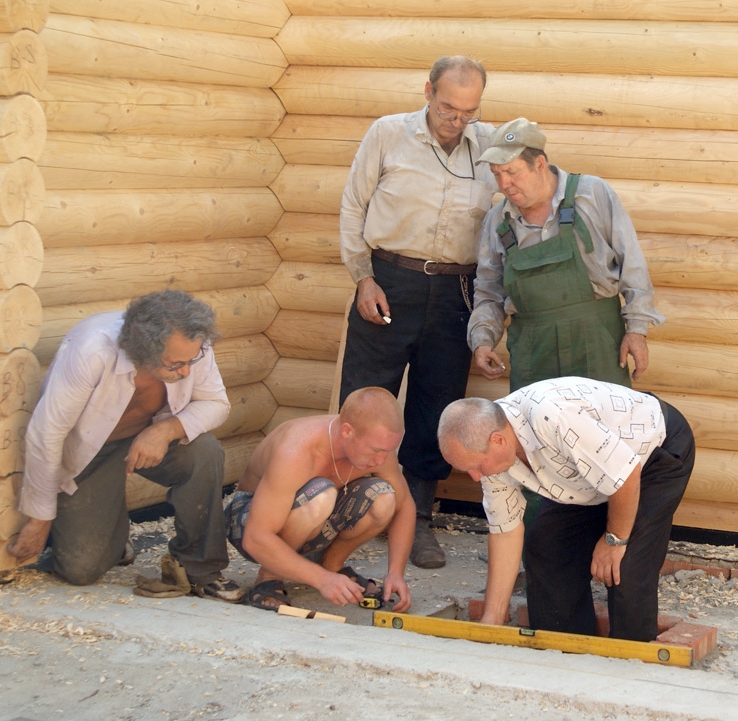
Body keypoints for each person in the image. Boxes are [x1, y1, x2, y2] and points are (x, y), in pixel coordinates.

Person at [338, 55, 498, 569]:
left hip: (457, 289)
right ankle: (352, 509)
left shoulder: (490, 146)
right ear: (428, 91)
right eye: (449, 108)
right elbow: (353, 206)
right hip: (389, 279)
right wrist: (362, 277)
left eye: (468, 112)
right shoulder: (387, 133)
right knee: (367, 396)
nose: (457, 120)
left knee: (438, 402)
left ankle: (418, 517)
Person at [8, 290, 243, 602]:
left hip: (149, 435)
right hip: (90, 452)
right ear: (143, 351)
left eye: (191, 361)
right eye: (175, 364)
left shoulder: (192, 345)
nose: (186, 371)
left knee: (205, 452)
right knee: (79, 570)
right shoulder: (91, 350)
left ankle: (201, 570)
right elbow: (46, 432)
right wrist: (39, 520)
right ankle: (114, 538)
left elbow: (217, 403)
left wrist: (166, 430)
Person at [437, 376, 695, 642]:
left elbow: (625, 476)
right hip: (588, 474)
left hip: (650, 454)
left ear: (498, 440)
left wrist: (613, 541)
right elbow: (505, 532)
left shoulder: (554, 417)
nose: (475, 477)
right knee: (546, 548)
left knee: (625, 566)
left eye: (476, 466)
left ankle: (631, 658)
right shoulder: (490, 448)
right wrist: (491, 620)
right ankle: (563, 650)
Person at [468, 117, 664, 393]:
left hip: (598, 342)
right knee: (535, 421)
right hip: (532, 350)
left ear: (539, 163)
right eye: (496, 174)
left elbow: (632, 265)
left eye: (512, 172)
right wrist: (482, 340)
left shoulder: (592, 194)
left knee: (602, 419)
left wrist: (636, 330)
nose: (504, 183)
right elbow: (489, 292)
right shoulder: (497, 221)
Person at [225, 387, 414, 612]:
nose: (381, 460)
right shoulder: (297, 450)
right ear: (347, 431)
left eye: (388, 450)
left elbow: (405, 506)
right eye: (375, 450)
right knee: (320, 495)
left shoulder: (376, 445)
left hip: (312, 524)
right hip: (248, 524)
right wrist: (321, 580)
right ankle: (270, 576)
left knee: (385, 497)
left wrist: (395, 573)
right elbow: (255, 537)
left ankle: (332, 565)